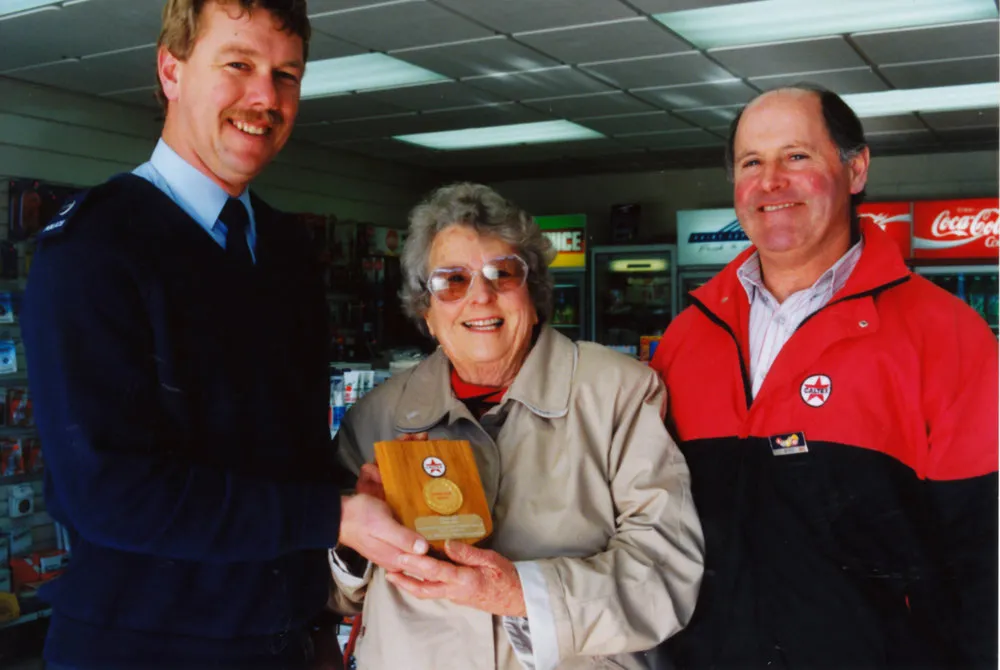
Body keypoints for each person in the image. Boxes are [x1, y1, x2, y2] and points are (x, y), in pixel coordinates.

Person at [21, 1, 427, 667]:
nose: (265, 97)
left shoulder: (288, 250)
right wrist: (332, 515)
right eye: (238, 64)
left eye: (287, 75)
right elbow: (110, 491)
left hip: (286, 639)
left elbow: (273, 454)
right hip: (143, 649)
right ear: (170, 70)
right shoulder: (94, 247)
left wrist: (359, 495)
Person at [651, 85, 999, 668]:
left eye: (797, 156)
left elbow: (985, 557)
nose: (770, 182)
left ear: (855, 168)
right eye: (751, 163)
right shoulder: (688, 336)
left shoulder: (948, 335)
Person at [329, 183, 705, 669]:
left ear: (533, 291)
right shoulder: (375, 418)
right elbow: (326, 592)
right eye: (452, 280)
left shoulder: (618, 392)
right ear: (426, 308)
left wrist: (519, 594)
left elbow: (664, 575)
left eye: (503, 273)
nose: (480, 296)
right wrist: (355, 538)